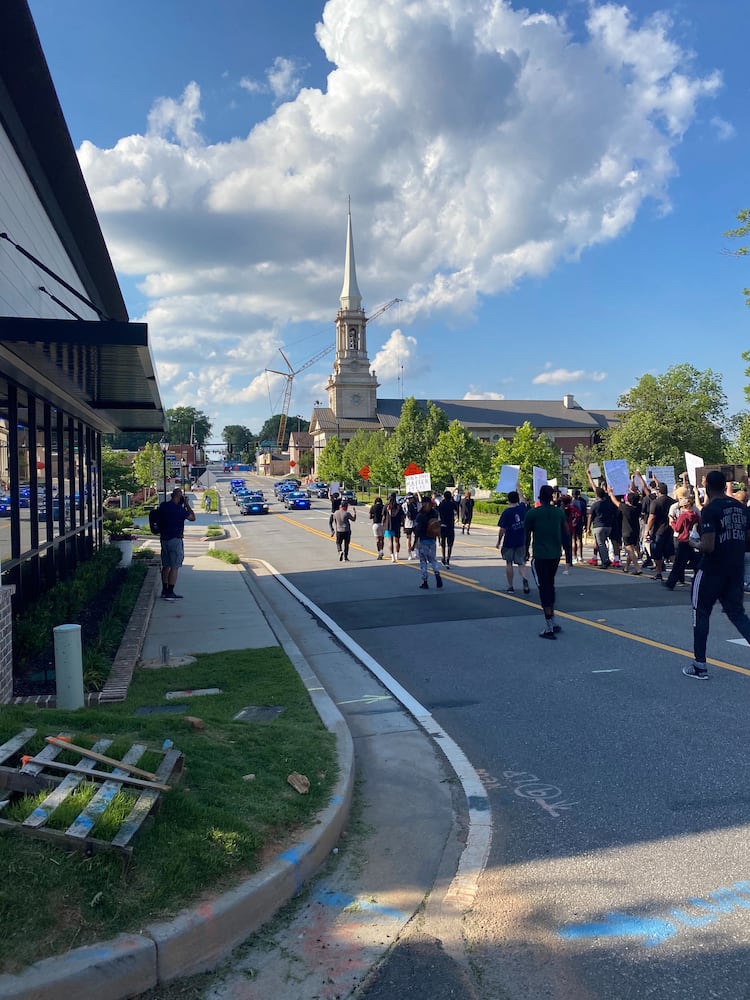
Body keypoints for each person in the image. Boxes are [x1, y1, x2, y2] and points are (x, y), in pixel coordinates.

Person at [686, 469, 750, 679]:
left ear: (707, 487)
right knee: (737, 614)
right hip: (735, 568)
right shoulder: (742, 508)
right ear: (724, 486)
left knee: (701, 612)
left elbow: (708, 545)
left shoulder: (710, 509)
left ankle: (700, 665)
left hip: (712, 569)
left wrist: (693, 543)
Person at [524, 484, 569, 639]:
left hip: (541, 555)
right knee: (550, 585)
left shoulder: (532, 514)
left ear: (539, 497)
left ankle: (549, 625)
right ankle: (553, 620)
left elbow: (527, 536)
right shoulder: (559, 513)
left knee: (544, 588)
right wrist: (568, 555)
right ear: (551, 497)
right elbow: (566, 533)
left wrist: (525, 552)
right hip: (555, 554)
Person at [158, 487, 196, 601]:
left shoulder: (163, 506)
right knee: (175, 566)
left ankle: (164, 590)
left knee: (166, 565)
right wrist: (186, 504)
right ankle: (170, 592)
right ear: (179, 497)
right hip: (175, 540)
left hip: (163, 539)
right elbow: (192, 518)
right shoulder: (179, 510)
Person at [496, 490, 531, 594]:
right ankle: (524, 578)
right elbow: (523, 500)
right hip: (521, 540)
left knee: (509, 563)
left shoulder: (506, 512)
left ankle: (510, 586)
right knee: (521, 563)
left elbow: (502, 529)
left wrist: (498, 541)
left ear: (508, 500)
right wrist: (519, 489)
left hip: (509, 541)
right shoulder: (522, 508)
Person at [664, 494, 699, 590]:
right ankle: (699, 578)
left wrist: (672, 522)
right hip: (691, 540)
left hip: (682, 540)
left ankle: (670, 583)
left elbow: (677, 528)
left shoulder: (683, 516)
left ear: (684, 506)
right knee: (695, 562)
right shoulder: (694, 515)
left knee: (679, 563)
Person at [644, 481, 674, 581]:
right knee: (670, 552)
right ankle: (677, 571)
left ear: (658, 491)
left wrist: (647, 530)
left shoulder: (656, 502)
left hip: (658, 531)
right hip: (670, 529)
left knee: (657, 552)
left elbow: (652, 517)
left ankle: (659, 573)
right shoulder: (673, 502)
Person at [414, 494, 443, 589]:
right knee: (433, 560)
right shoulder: (434, 513)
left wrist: (415, 543)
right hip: (432, 540)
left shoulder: (420, 515)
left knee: (423, 562)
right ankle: (437, 573)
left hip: (423, 541)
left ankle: (425, 581)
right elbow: (437, 526)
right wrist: (438, 539)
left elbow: (417, 530)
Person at [586, 486, 617, 568]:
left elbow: (590, 516)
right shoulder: (608, 504)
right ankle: (608, 558)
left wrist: (588, 528)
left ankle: (605, 561)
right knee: (605, 543)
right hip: (608, 526)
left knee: (600, 544)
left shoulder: (595, 505)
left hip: (598, 526)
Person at [438, 490, 459, 567]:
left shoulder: (441, 504)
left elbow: (439, 513)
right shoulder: (452, 504)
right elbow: (456, 511)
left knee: (443, 543)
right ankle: (448, 559)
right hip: (450, 526)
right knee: (450, 544)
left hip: (443, 525)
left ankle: (443, 557)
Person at [383, 493, 404, 562]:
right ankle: (397, 554)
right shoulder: (398, 506)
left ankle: (392, 556)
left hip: (389, 525)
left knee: (390, 541)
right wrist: (402, 523)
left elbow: (383, 516)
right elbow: (402, 516)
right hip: (397, 525)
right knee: (397, 541)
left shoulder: (386, 506)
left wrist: (383, 524)